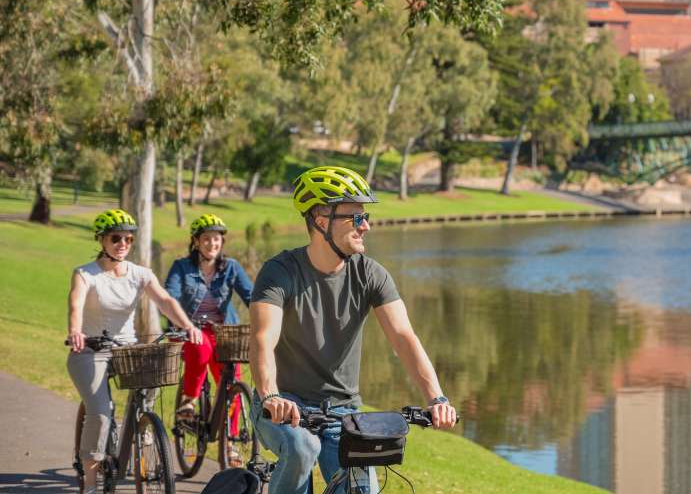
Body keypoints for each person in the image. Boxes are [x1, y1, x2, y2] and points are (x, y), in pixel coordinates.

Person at [249, 166, 458, 493]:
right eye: (355, 217)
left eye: (365, 216)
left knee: (365, 491)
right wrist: (271, 395)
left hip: (342, 412)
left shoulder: (370, 274)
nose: (366, 226)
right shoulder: (280, 272)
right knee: (302, 449)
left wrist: (437, 397)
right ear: (321, 219)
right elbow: (263, 338)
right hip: (284, 405)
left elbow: (404, 337)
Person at [66, 209, 203, 494]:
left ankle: (144, 424)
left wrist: (188, 326)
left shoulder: (140, 274)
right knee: (101, 414)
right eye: (116, 238)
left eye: (128, 239)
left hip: (127, 347)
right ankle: (90, 485)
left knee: (153, 376)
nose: (123, 244)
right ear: (101, 240)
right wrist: (76, 331)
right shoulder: (86, 274)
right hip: (90, 350)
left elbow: (165, 300)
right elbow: (76, 304)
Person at [165, 213, 253, 446]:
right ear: (195, 241)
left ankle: (230, 443)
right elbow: (170, 297)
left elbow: (252, 297)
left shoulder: (231, 267)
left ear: (222, 242)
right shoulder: (181, 267)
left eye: (216, 239)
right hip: (189, 330)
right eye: (206, 238)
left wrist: (266, 319)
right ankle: (189, 400)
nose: (212, 244)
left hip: (222, 332)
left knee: (232, 382)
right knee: (200, 347)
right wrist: (185, 325)